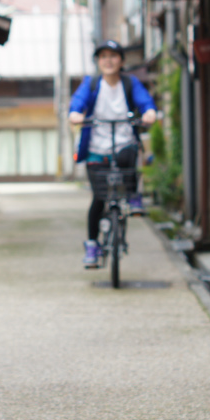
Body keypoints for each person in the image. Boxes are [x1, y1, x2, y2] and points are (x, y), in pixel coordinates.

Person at [68, 40, 157, 268]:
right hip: (96, 148)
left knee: (130, 156)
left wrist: (149, 112)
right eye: (103, 56)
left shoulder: (130, 83)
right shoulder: (92, 83)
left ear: (122, 61)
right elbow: (77, 103)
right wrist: (76, 113)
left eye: (113, 56)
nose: (108, 61)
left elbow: (145, 101)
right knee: (98, 199)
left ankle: (133, 195)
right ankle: (92, 245)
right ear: (98, 61)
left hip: (123, 140)